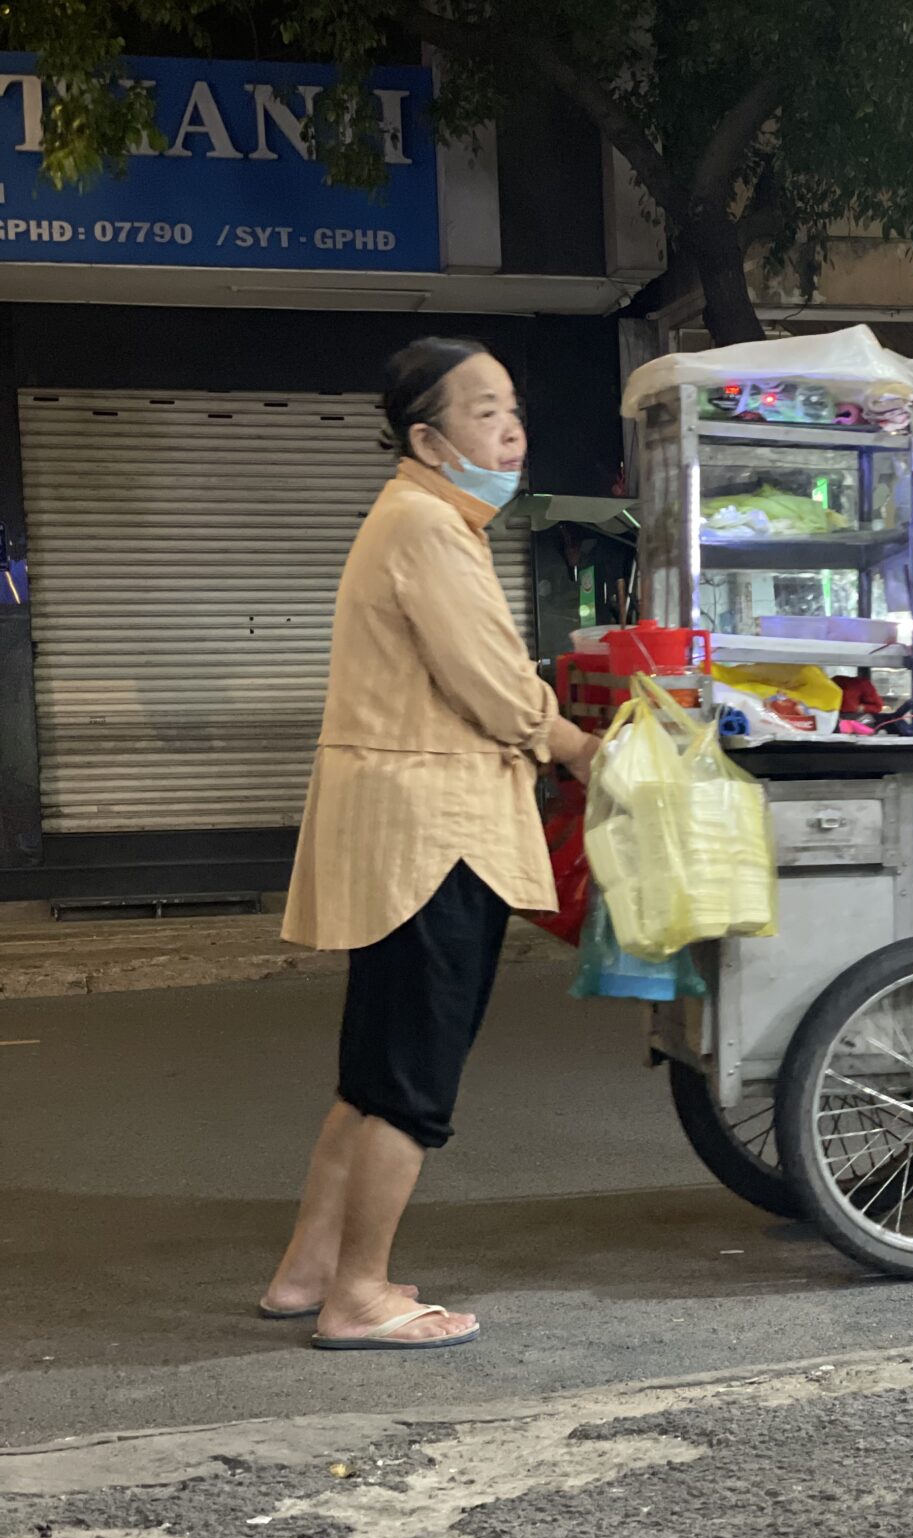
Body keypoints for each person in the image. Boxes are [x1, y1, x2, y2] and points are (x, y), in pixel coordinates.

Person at [264, 337, 599, 1351]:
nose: (511, 429)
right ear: (427, 436)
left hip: (404, 825)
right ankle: (360, 1291)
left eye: (512, 407)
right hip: (434, 833)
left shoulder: (421, 518)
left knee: (371, 1070)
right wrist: (579, 746)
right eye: (484, 411)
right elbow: (492, 684)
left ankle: (311, 1266)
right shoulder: (428, 530)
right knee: (413, 1077)